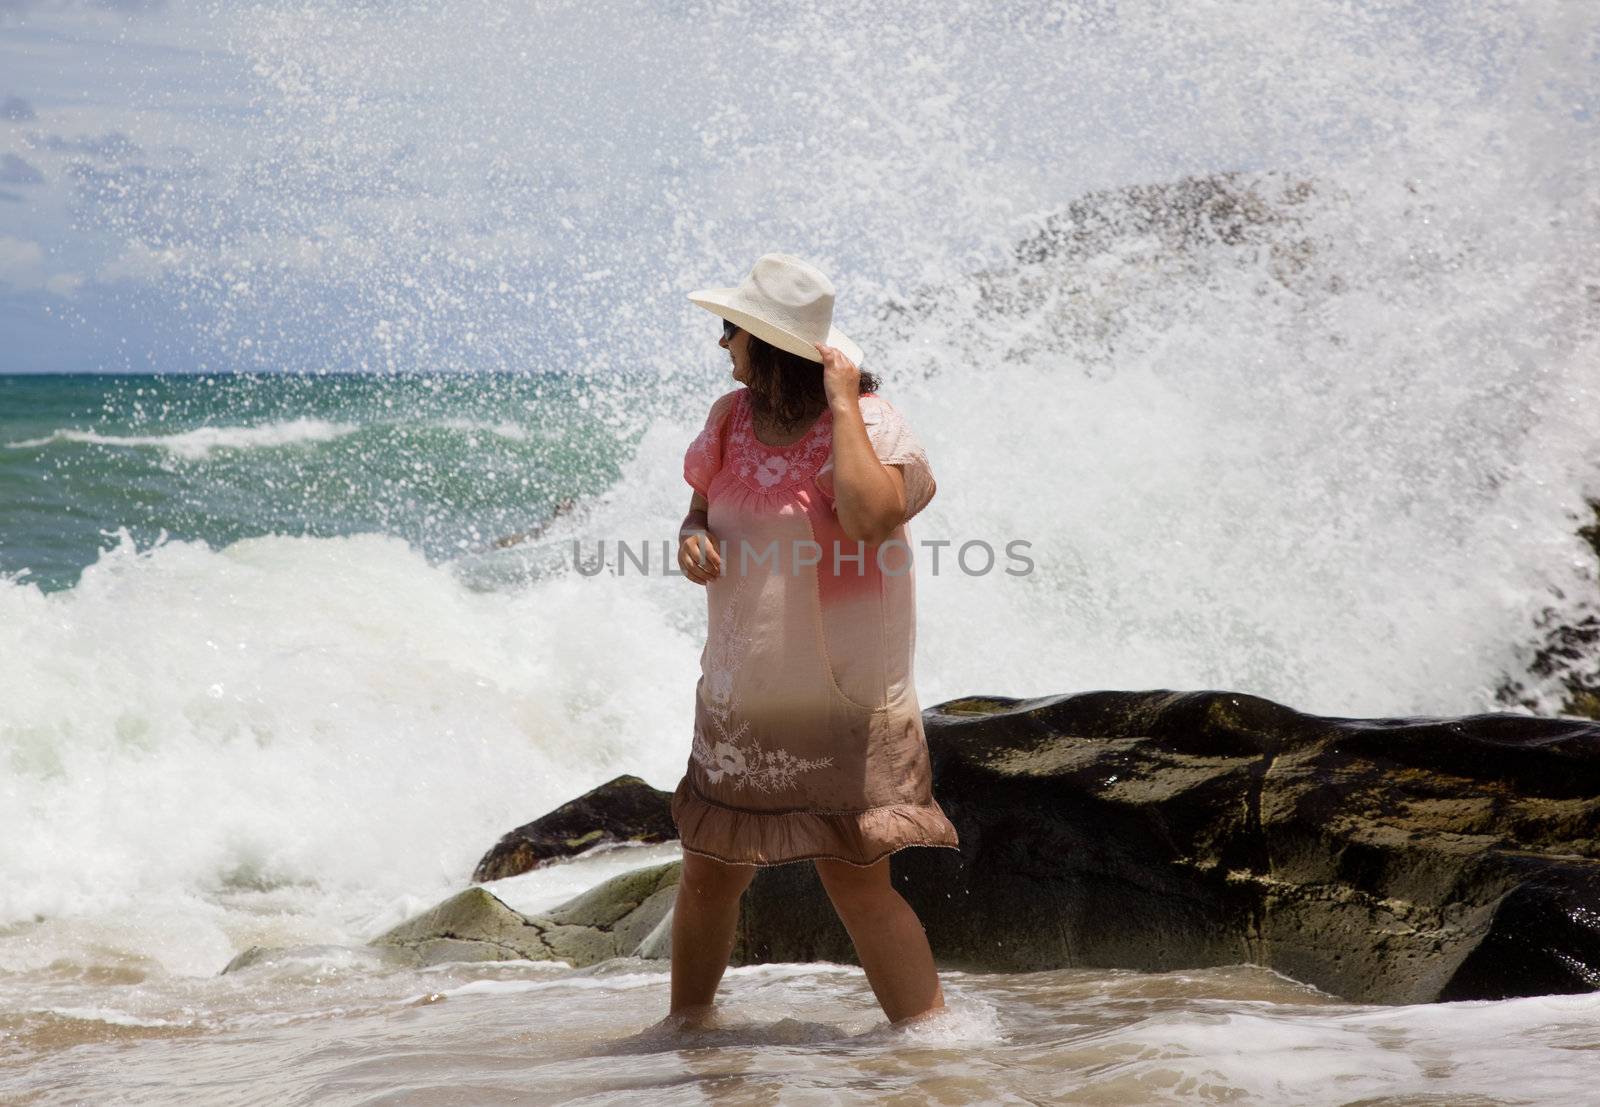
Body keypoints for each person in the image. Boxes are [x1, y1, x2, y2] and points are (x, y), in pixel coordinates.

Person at [662, 253, 960, 1031]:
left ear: (766, 341)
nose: (722, 345)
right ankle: (684, 1037)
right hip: (741, 692)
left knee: (857, 879)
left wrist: (843, 403)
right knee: (707, 873)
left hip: (841, 695)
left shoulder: (872, 421)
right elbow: (699, 510)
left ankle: (934, 1053)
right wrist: (692, 539)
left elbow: (870, 517)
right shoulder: (729, 419)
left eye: (732, 331)